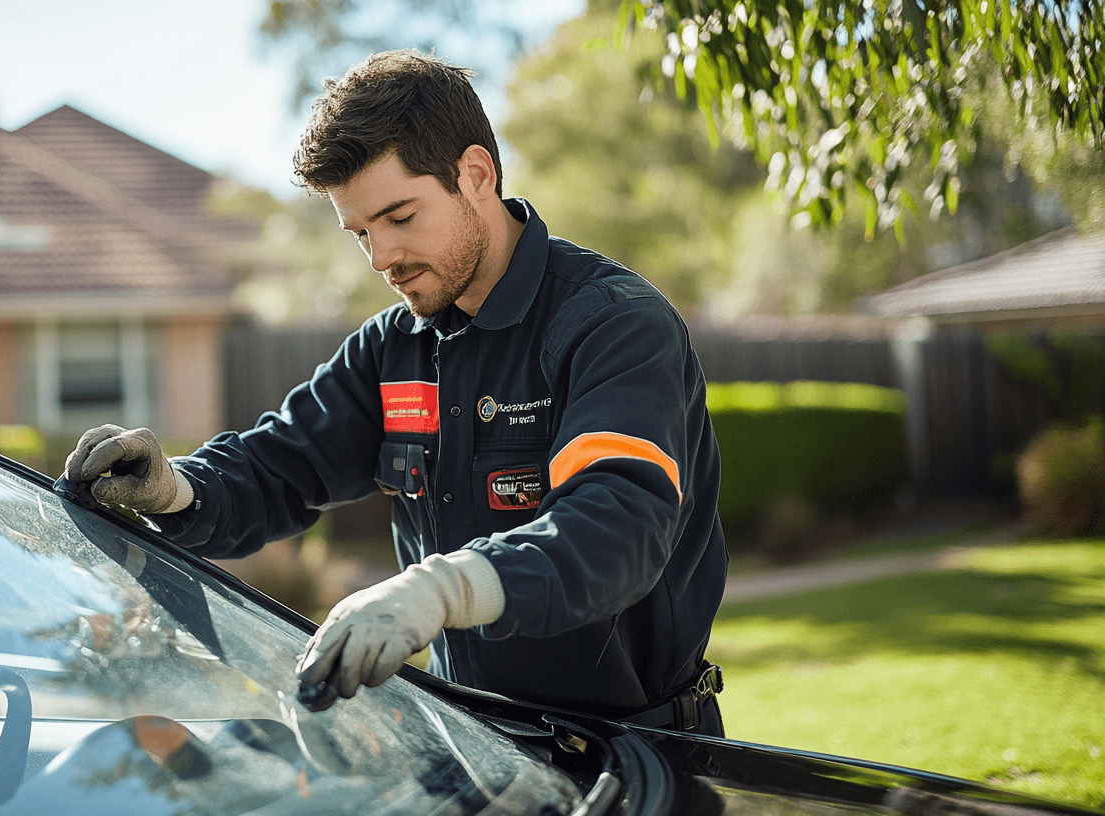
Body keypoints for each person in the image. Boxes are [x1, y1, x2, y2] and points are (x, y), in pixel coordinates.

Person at [64, 49, 728, 735]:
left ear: (476, 175)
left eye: (401, 217)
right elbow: (279, 465)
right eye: (360, 234)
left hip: (644, 757)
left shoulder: (613, 323)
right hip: (482, 754)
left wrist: (442, 589)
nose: (382, 259)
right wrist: (172, 487)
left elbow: (616, 529)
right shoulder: (396, 348)